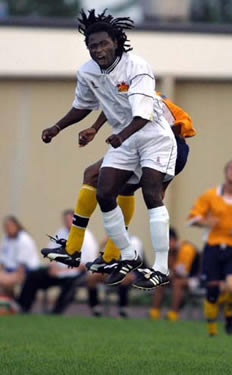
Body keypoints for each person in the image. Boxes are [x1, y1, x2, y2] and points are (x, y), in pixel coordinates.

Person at [40, 9, 178, 290]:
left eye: (103, 43)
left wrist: (119, 136)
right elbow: (83, 105)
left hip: (153, 136)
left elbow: (142, 116)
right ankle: (126, 256)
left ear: (116, 41)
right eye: (92, 46)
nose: (98, 50)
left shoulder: (136, 66)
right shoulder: (87, 72)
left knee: (152, 193)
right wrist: (57, 127)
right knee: (104, 192)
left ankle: (161, 267)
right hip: (124, 139)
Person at [41, 94, 194, 276]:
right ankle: (109, 256)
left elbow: (120, 104)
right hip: (166, 145)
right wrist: (94, 128)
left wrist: (88, 128)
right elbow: (113, 104)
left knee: (93, 175)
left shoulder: (134, 89)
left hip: (163, 144)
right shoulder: (126, 89)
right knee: (121, 187)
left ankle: (75, 248)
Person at [187, 159, 232, 336]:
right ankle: (212, 331)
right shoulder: (210, 195)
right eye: (231, 168)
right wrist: (206, 221)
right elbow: (192, 218)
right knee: (212, 290)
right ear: (225, 172)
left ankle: (229, 312)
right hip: (213, 247)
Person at [18, 210, 98, 314]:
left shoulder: (87, 237)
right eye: (66, 220)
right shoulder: (61, 232)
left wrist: (65, 271)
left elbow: (86, 264)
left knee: (70, 285)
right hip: (57, 271)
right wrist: (53, 266)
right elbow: (51, 251)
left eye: (70, 220)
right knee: (34, 276)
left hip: (75, 272)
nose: (67, 222)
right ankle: (23, 307)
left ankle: (56, 312)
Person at [148, 227, 200, 321]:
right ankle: (154, 312)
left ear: (172, 240)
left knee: (177, 283)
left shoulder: (186, 249)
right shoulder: (168, 251)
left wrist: (170, 258)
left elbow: (182, 273)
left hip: (196, 279)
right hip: (180, 277)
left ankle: (173, 314)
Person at [87, 234, 143, 318]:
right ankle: (95, 308)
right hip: (114, 270)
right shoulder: (111, 241)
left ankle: (123, 309)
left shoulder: (134, 241)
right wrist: (102, 245)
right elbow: (101, 261)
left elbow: (134, 264)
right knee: (92, 277)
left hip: (132, 271)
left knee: (123, 277)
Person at [0, 216, 39, 302]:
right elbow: (3, 260)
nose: (8, 229)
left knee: (4, 281)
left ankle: (13, 304)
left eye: (10, 226)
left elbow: (22, 266)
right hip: (11, 270)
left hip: (27, 271)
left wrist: (9, 277)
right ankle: (11, 303)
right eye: (6, 227)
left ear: (16, 226)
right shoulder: (6, 238)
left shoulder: (24, 239)